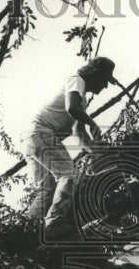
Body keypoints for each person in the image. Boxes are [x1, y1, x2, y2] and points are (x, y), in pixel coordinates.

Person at [24, 56, 116, 238]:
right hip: (41, 132)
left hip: (31, 138)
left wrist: (97, 152)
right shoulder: (76, 81)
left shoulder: (81, 100)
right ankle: (54, 223)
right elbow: (72, 109)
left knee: (47, 189)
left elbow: (78, 132)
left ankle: (25, 231)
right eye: (105, 80)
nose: (105, 86)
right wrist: (93, 123)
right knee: (67, 175)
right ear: (95, 75)